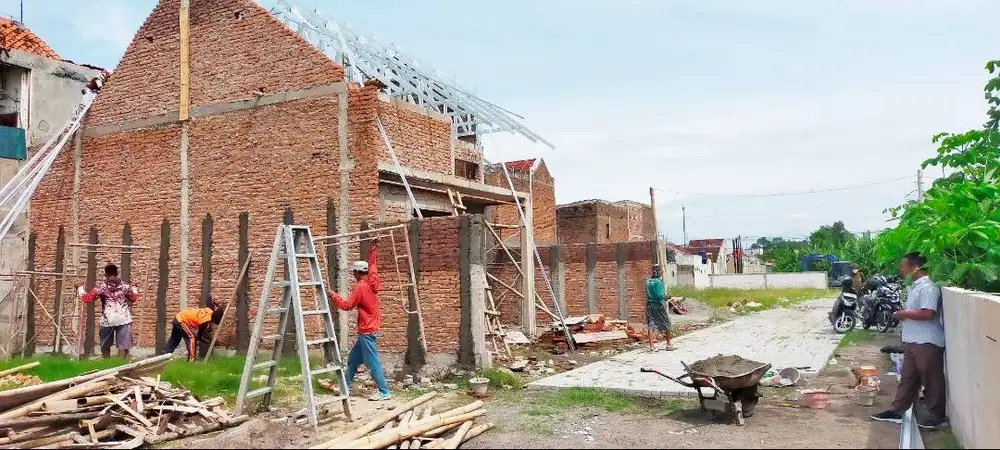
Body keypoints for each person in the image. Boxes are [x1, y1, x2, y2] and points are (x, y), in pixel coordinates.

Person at [870, 252, 948, 429]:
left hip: (927, 341)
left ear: (915, 267)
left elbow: (928, 313)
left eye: (903, 266)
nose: (901, 269)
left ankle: (936, 417)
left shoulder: (928, 287)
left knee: (931, 379)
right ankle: (897, 411)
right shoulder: (915, 286)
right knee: (907, 379)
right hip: (913, 340)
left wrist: (901, 314)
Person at [326, 238, 392, 401]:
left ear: (356, 273)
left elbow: (347, 305)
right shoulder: (372, 281)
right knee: (353, 360)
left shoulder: (361, 287)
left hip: (367, 331)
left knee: (372, 363)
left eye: (353, 273)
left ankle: (384, 392)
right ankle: (346, 386)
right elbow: (374, 267)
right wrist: (373, 251)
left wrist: (333, 296)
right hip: (370, 329)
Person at [78, 264, 139, 359]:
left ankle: (107, 363)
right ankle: (121, 364)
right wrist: (134, 287)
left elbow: (87, 299)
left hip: (107, 320)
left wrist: (80, 288)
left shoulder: (101, 287)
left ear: (105, 274)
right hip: (124, 319)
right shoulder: (125, 286)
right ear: (117, 273)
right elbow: (134, 298)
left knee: (105, 345)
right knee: (124, 345)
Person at [645, 264, 675, 352]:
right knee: (666, 322)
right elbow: (659, 295)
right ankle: (668, 344)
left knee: (651, 324)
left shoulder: (648, 281)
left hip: (649, 305)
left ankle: (651, 346)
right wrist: (667, 297)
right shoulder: (658, 282)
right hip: (658, 304)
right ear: (658, 272)